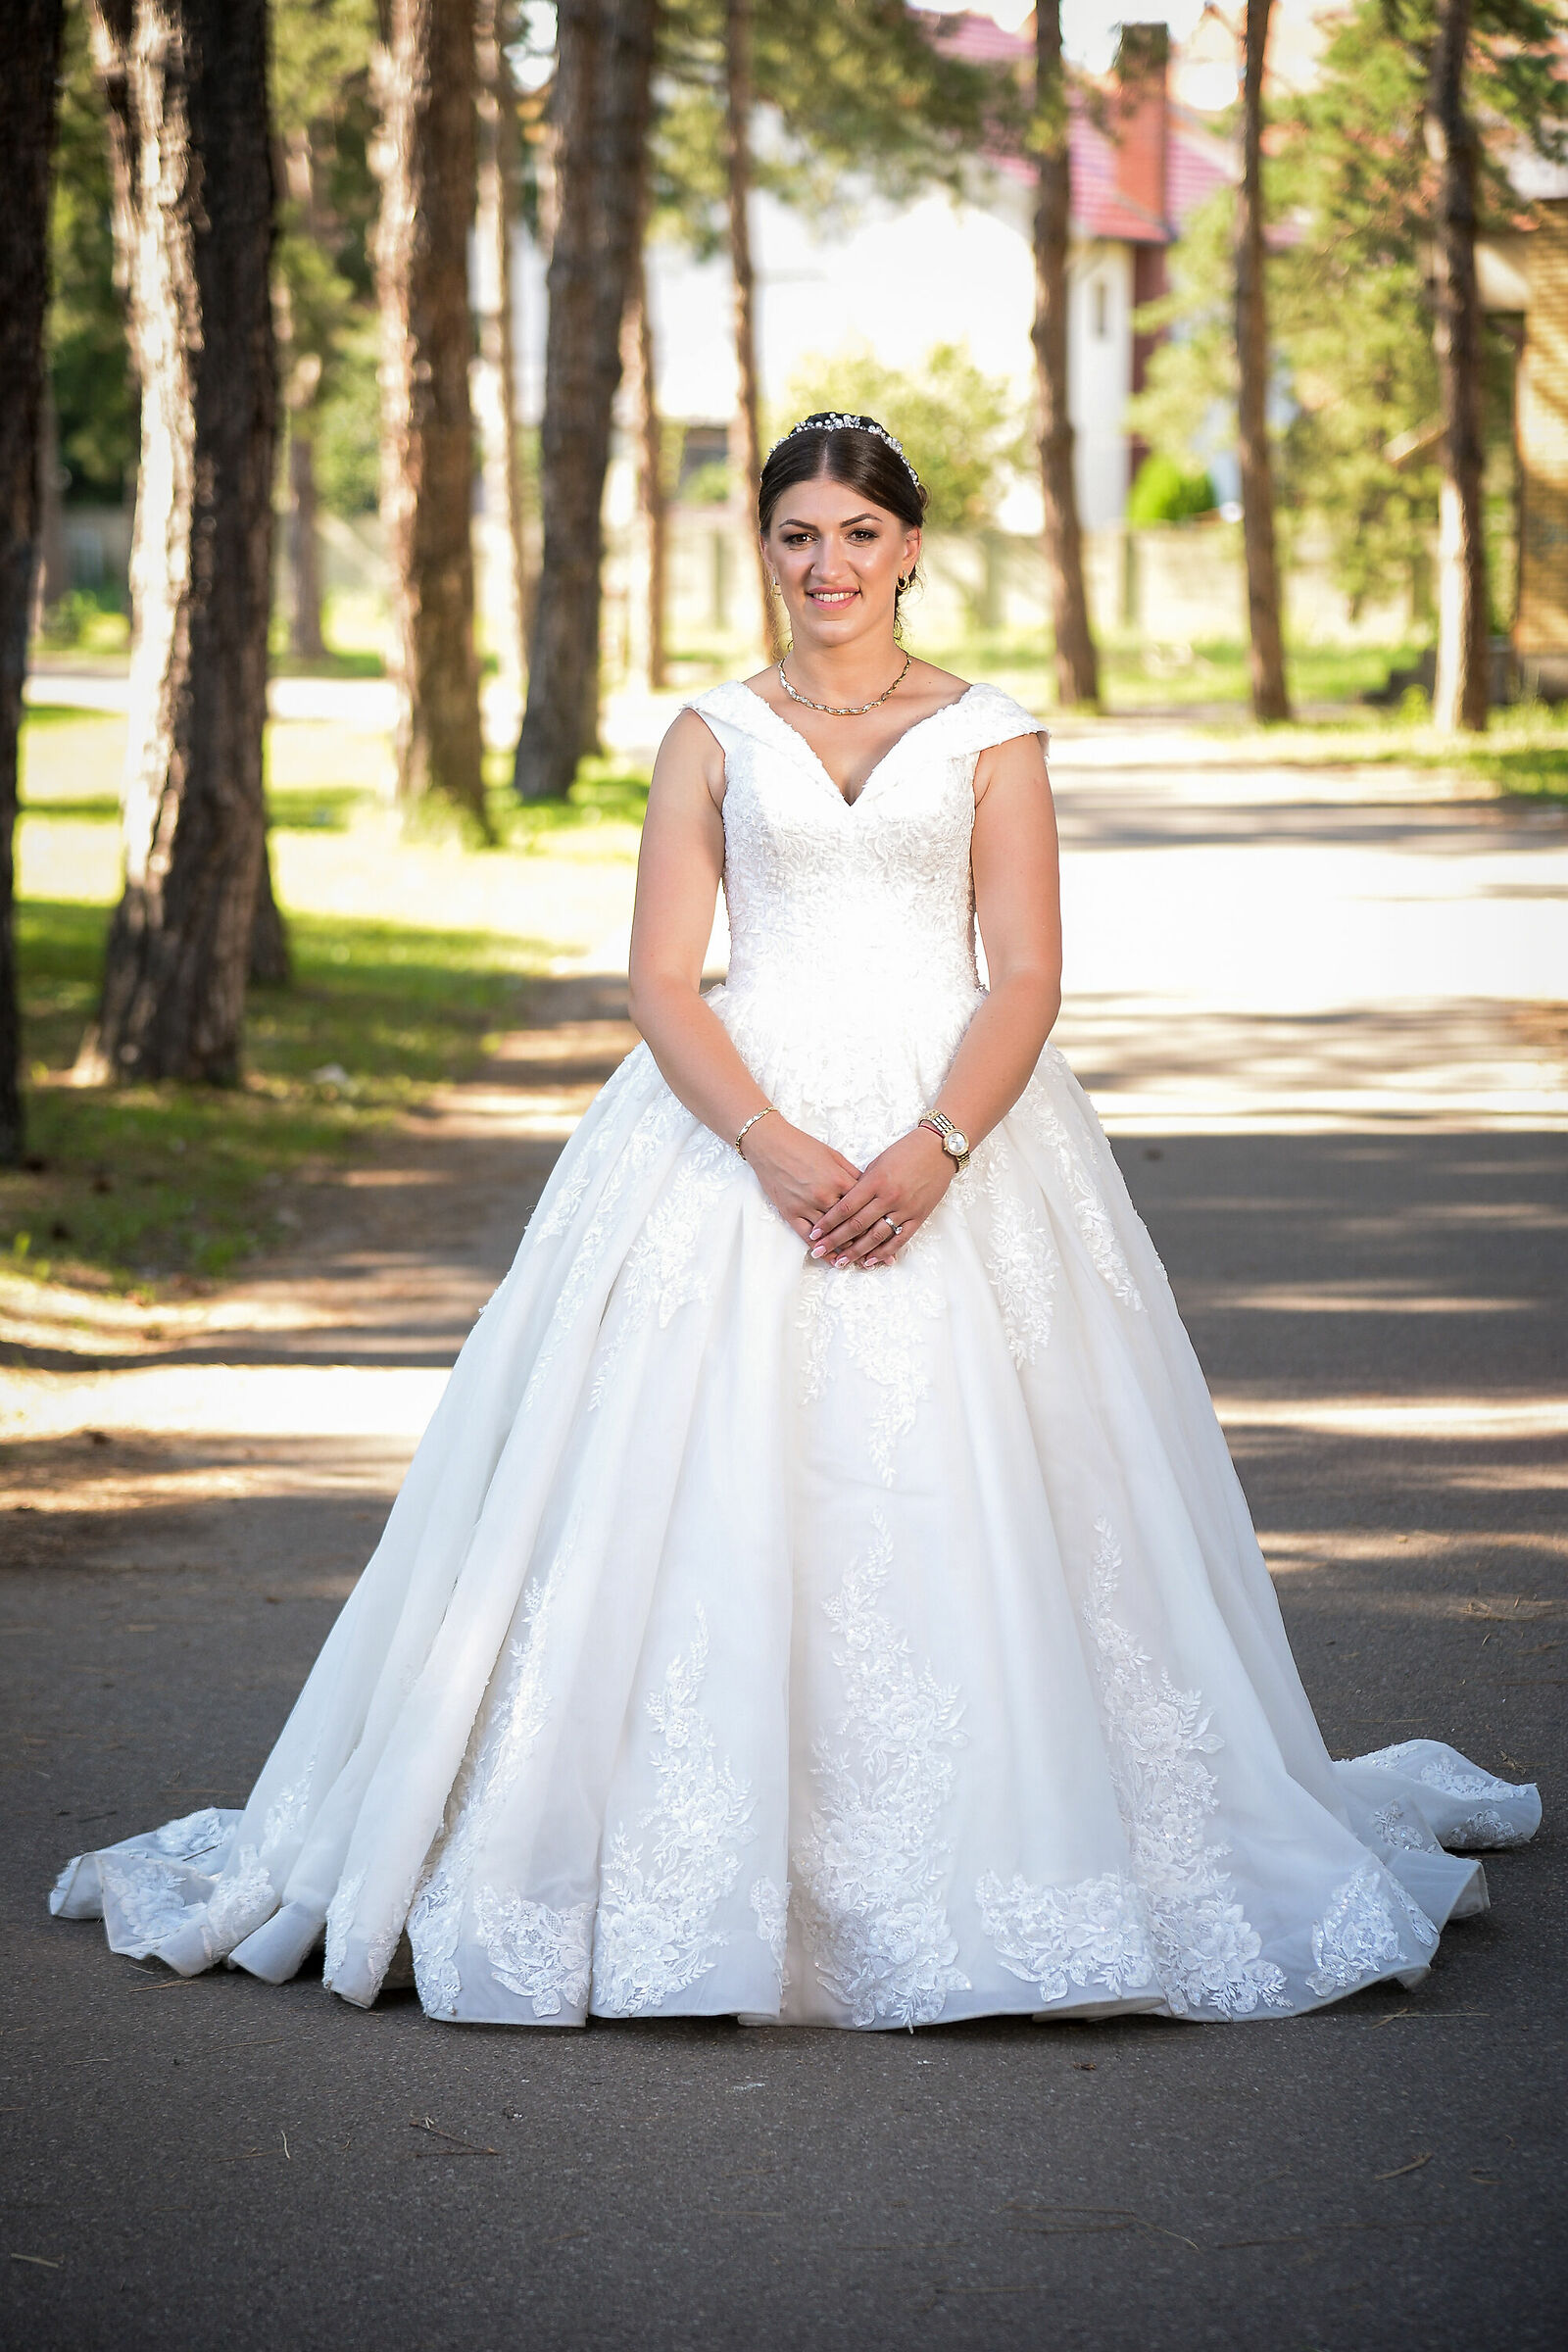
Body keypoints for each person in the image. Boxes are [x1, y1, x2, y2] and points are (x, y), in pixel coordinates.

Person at [52, 413, 1538, 2030]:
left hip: (958, 1132)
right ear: (762, 550)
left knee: (1005, 1492)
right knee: (668, 1486)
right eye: (794, 537)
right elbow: (659, 979)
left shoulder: (993, 734)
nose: (826, 566)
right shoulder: (709, 733)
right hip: (728, 1135)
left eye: (855, 534)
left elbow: (1026, 973)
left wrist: (936, 1148)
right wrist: (765, 1140)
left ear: (911, 545)